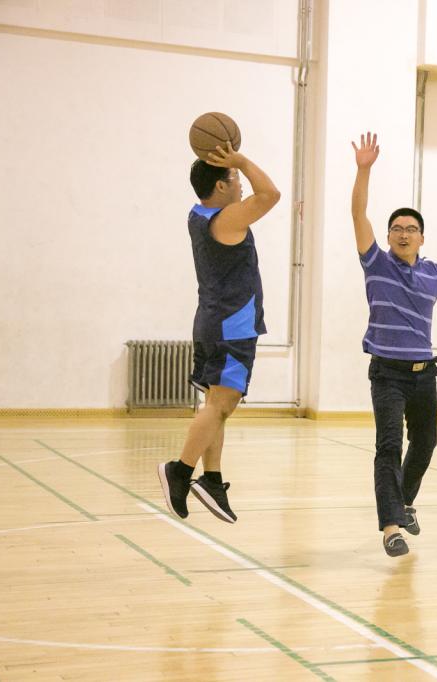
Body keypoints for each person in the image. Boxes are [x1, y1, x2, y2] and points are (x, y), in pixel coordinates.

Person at [351, 132, 437, 557]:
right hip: (387, 373)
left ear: (422, 238)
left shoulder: (433, 273)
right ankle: (391, 527)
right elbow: (357, 213)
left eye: (411, 229)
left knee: (426, 443)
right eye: (396, 228)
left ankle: (404, 502)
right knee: (388, 447)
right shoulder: (375, 261)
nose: (403, 234)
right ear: (388, 235)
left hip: (423, 373)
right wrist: (363, 170)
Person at [158, 143, 281, 523]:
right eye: (236, 178)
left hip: (214, 320)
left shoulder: (198, 214)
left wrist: (234, 164)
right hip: (231, 325)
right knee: (220, 405)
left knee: (218, 405)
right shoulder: (225, 221)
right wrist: (240, 159)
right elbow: (271, 195)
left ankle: (212, 479)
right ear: (221, 186)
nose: (241, 183)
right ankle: (180, 471)